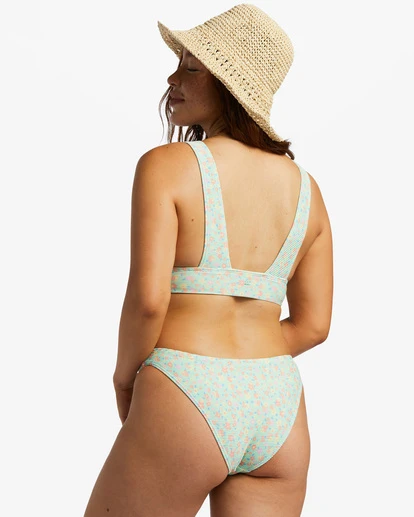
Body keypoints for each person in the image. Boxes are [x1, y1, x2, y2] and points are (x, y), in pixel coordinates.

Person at [84, 3, 333, 516]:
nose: (172, 79)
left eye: (192, 67)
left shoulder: (167, 166)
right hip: (277, 405)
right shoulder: (308, 191)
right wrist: (242, 357)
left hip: (185, 387)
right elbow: (315, 325)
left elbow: (149, 302)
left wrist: (126, 380)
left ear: (230, 86)